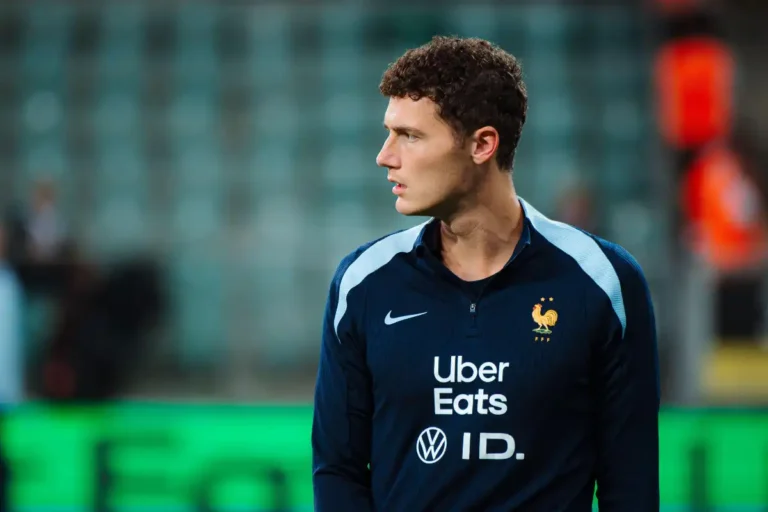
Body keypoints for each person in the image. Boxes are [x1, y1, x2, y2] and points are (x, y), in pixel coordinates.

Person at [312, 36, 660, 511]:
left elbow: (631, 483)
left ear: (482, 144)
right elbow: (338, 469)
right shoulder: (362, 282)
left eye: (409, 136)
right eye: (390, 133)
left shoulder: (604, 281)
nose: (385, 155)